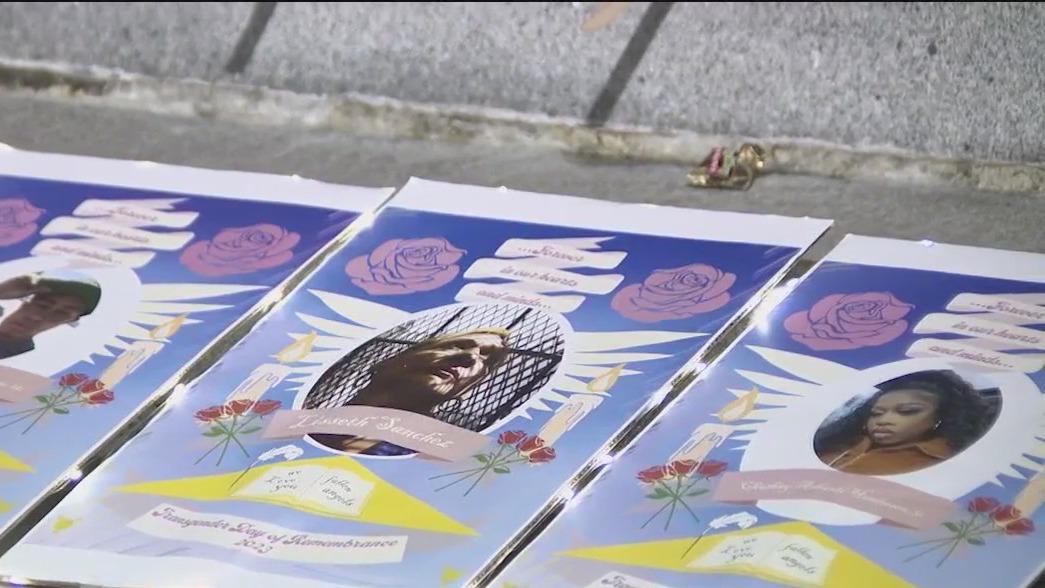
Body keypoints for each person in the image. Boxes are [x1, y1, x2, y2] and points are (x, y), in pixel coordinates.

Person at [310, 327, 511, 455]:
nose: (470, 358)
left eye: (485, 360)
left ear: (466, 390)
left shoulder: (448, 455)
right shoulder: (302, 416)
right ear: (392, 359)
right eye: (456, 346)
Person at [814, 370, 993, 476]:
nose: (883, 421)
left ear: (939, 418)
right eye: (876, 414)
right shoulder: (838, 442)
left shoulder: (946, 463)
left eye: (907, 411)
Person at [0, 272, 102, 361]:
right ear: (25, 300)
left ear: (70, 320)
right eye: (41, 305)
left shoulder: (24, 358)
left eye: (61, 313)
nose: (36, 317)